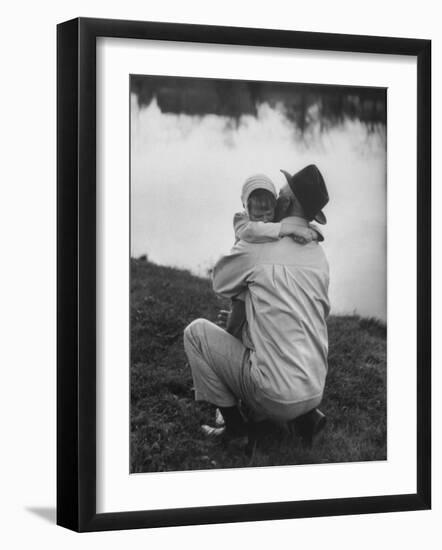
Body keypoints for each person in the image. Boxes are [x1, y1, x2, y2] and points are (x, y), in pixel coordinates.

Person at [183, 164, 330, 446]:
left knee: (196, 333)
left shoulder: (255, 246)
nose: (279, 198)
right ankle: (301, 417)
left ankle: (236, 431)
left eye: (283, 193)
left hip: (276, 392)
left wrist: (244, 235)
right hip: (314, 388)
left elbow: (221, 282)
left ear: (287, 202)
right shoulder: (319, 254)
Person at [227, 173, 324, 339]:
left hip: (258, 280)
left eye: (279, 196)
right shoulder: (242, 221)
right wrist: (295, 230)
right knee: (242, 302)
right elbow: (252, 230)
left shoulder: (271, 230)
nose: (264, 219)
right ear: (246, 207)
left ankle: (237, 333)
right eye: (258, 215)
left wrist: (314, 233)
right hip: (244, 272)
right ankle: (233, 330)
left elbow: (222, 284)